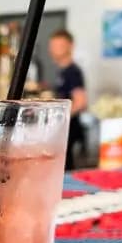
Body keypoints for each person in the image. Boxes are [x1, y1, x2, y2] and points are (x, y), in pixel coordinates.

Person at [48, 30, 89, 169]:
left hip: (70, 129)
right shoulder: (63, 71)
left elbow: (81, 102)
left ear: (70, 46)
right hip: (64, 128)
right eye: (53, 46)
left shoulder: (73, 72)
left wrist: (59, 117)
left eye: (59, 45)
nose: (54, 49)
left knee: (65, 168)